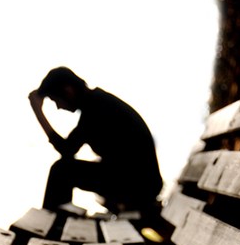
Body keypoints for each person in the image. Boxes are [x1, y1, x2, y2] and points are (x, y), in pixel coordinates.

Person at [28, 67, 163, 216]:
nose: (58, 107)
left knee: (61, 171)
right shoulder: (96, 103)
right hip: (140, 182)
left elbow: (67, 150)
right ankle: (55, 220)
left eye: (55, 100)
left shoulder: (96, 108)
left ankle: (46, 225)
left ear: (68, 91)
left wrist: (38, 113)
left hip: (140, 187)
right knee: (64, 169)